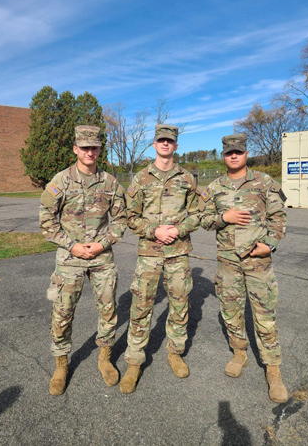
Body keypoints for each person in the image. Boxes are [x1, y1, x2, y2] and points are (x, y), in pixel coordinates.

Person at [199, 133, 289, 403]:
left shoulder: (263, 182)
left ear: (246, 153)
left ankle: (273, 370)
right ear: (223, 156)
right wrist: (223, 217)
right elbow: (202, 219)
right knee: (231, 311)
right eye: (229, 153)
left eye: (238, 151)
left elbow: (279, 215)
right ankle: (239, 354)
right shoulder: (214, 188)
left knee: (264, 314)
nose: (234, 156)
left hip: (258, 261)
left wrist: (270, 244)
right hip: (227, 261)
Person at [39, 125, 127, 396]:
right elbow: (46, 221)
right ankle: (61, 364)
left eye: (94, 147)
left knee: (109, 310)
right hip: (70, 258)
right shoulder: (61, 181)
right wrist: (72, 245)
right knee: (63, 312)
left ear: (100, 149)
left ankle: (105, 358)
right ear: (76, 149)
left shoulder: (110, 183)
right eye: (84, 147)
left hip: (102, 257)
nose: (90, 152)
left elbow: (122, 219)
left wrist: (102, 243)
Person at [119, 124, 200, 394]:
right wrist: (154, 231)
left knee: (179, 303)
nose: (165, 144)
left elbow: (197, 214)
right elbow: (131, 216)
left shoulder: (187, 179)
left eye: (170, 141)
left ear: (176, 146)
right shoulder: (141, 179)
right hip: (149, 253)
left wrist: (178, 230)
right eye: (161, 140)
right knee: (141, 305)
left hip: (178, 253)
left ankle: (175, 352)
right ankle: (134, 360)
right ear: (154, 144)